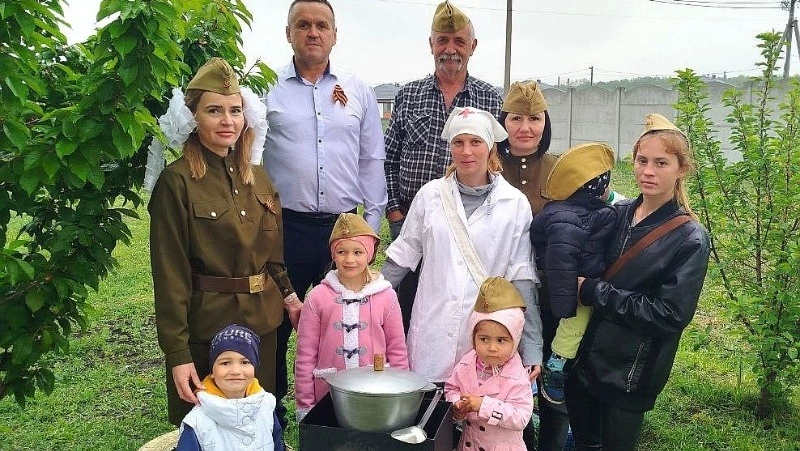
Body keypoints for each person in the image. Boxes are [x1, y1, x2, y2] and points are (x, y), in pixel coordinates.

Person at [148, 57, 298, 426]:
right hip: (207, 329)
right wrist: (177, 353)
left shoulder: (259, 178)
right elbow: (170, 275)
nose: (227, 121)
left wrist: (291, 297)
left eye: (235, 110)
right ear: (193, 118)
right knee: (207, 429)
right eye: (214, 110)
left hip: (261, 327)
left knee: (256, 423)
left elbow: (273, 257)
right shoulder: (176, 182)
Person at [262, 0, 387, 426]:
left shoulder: (358, 89)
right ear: (289, 33)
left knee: (348, 324)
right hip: (285, 228)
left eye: (321, 25)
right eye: (303, 25)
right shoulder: (267, 89)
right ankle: (273, 415)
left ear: (334, 34)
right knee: (276, 324)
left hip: (344, 231)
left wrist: (369, 232)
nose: (312, 32)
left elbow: (371, 160)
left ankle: (345, 416)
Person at [565, 114, 711, 450]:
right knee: (585, 443)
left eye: (661, 163)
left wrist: (595, 291)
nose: (648, 171)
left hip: (629, 375)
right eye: (642, 160)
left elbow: (669, 314)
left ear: (682, 169)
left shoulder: (690, 238)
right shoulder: (618, 214)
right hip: (585, 363)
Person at [382, 106, 542, 385]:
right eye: (459, 142)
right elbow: (402, 257)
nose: (466, 152)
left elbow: (522, 277)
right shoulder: (430, 196)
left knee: (479, 407)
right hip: (432, 329)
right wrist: (362, 299)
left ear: (490, 147)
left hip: (486, 334)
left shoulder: (514, 203)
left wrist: (532, 345)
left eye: (475, 142)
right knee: (429, 405)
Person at [383, 0, 503, 332]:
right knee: (406, 306)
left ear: (473, 46)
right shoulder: (408, 95)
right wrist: (395, 212)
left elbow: (497, 162)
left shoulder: (490, 98)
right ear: (431, 44)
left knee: (459, 306)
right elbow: (389, 159)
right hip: (410, 220)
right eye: (442, 41)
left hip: (470, 226)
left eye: (459, 41)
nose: (450, 50)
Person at [497, 80, 567, 451]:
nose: (525, 128)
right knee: (506, 380)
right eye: (516, 118)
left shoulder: (562, 170)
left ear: (545, 123)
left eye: (535, 119)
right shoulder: (488, 167)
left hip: (553, 294)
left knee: (554, 380)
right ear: (503, 122)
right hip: (502, 296)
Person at [294, 213, 409, 420]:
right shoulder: (317, 297)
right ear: (333, 255)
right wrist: (305, 405)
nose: (349, 259)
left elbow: (397, 350)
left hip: (376, 393)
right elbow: (305, 355)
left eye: (357, 252)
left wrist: (400, 397)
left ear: (370, 254)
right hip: (327, 396)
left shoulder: (387, 296)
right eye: (342, 252)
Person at [530, 143, 617, 405]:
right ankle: (556, 364)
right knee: (576, 322)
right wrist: (568, 305)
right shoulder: (568, 219)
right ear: (597, 188)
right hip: (572, 290)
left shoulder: (573, 210)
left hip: (582, 282)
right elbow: (561, 261)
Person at [445, 277, 534, 451]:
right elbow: (452, 388)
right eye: (484, 339)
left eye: (501, 340)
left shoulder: (517, 376)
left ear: (515, 341)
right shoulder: (466, 364)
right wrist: (457, 405)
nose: (492, 348)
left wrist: (484, 405)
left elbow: (521, 417)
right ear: (473, 338)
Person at [176, 324, 284, 451]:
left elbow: (277, 444)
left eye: (245, 362)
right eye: (225, 363)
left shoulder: (266, 405)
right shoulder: (196, 423)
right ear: (212, 372)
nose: (235, 371)